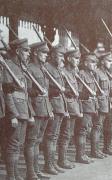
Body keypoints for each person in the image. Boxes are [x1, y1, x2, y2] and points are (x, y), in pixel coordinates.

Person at [2, 38, 34, 180]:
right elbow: (7, 92)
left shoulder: (20, 67)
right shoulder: (7, 66)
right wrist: (13, 115)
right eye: (26, 50)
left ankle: (15, 174)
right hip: (15, 112)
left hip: (23, 111)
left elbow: (25, 93)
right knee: (13, 145)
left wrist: (30, 113)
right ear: (17, 51)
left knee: (19, 145)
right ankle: (11, 176)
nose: (28, 53)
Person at [25, 41, 53, 179]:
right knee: (31, 141)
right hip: (35, 109)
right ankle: (30, 173)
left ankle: (36, 171)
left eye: (47, 53)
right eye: (43, 52)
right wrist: (30, 112)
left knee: (37, 141)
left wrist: (50, 109)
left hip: (45, 109)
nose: (46, 55)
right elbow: (27, 91)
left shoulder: (42, 69)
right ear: (35, 53)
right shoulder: (29, 69)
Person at [43, 45, 67, 174]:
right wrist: (56, 91)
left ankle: (52, 163)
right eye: (60, 55)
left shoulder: (57, 69)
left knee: (55, 136)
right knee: (50, 136)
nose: (62, 58)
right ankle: (48, 165)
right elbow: (45, 89)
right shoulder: (47, 68)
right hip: (52, 104)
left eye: (63, 56)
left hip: (60, 105)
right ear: (52, 55)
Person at [57, 48, 82, 169]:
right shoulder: (62, 72)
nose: (78, 61)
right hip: (66, 106)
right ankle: (62, 160)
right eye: (76, 58)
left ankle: (63, 158)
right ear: (68, 59)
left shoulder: (73, 72)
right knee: (65, 134)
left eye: (78, 58)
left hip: (73, 106)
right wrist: (70, 92)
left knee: (68, 133)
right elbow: (61, 89)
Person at [91, 52, 112, 158]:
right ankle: (95, 151)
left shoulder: (106, 73)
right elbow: (94, 91)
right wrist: (96, 105)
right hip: (100, 104)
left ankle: (106, 148)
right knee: (97, 127)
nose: (111, 63)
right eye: (108, 61)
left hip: (107, 104)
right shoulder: (97, 73)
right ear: (102, 61)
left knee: (107, 127)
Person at [76, 53, 98, 163]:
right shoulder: (82, 74)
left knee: (85, 130)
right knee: (82, 131)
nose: (95, 64)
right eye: (92, 62)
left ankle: (83, 154)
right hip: (84, 106)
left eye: (95, 62)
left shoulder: (91, 74)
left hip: (91, 106)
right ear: (85, 63)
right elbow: (79, 93)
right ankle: (80, 155)